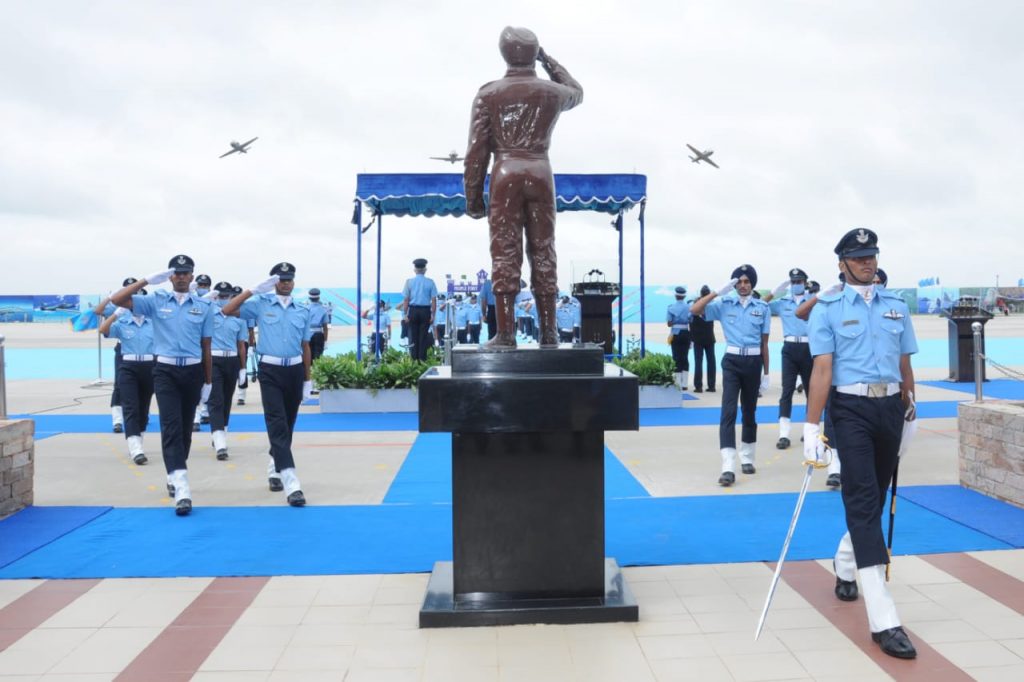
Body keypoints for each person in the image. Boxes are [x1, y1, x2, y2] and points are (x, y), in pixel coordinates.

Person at [805, 228, 918, 659]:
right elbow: (821, 370)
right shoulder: (828, 308)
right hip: (849, 410)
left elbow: (904, 359)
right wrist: (812, 428)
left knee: (877, 492)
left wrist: (910, 398)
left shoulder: (895, 305)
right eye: (859, 257)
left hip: (890, 408)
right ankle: (884, 620)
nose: (868, 263)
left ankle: (846, 560)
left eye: (872, 255)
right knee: (862, 497)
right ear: (842, 263)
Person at [464, 27, 583, 349]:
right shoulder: (552, 92)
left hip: (505, 173)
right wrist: (548, 60)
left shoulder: (489, 93)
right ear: (534, 53)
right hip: (541, 171)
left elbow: (477, 151)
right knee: (544, 249)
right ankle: (549, 332)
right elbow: (576, 90)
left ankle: (505, 334)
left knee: (505, 250)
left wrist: (474, 198)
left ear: (504, 53)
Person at [109, 255, 214, 516]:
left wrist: (208, 382)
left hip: (192, 371)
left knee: (186, 429)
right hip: (164, 370)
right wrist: (146, 280)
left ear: (192, 277)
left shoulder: (204, 307)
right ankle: (182, 487)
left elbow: (206, 346)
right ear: (169, 277)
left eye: (185, 273)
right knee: (170, 426)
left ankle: (175, 471)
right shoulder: (156, 302)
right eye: (176, 273)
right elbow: (117, 301)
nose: (180, 277)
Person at [222, 262, 312, 507]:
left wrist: (307, 378)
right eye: (281, 279)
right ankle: (292, 483)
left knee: (289, 423)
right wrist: (252, 290)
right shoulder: (261, 305)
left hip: (293, 370)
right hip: (270, 370)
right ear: (273, 282)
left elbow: (306, 346)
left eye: (289, 279)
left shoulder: (303, 310)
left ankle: (275, 467)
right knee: (276, 422)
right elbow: (228, 310)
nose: (285, 283)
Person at [690, 265, 770, 486]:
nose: (743, 286)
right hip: (732, 361)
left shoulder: (762, 308)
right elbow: (695, 310)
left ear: (753, 284)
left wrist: (766, 373)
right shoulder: (724, 305)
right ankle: (727, 466)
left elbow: (764, 343)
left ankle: (747, 457)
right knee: (728, 411)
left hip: (754, 362)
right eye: (739, 282)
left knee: (750, 411)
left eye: (747, 282)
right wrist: (717, 292)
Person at [99, 293, 154, 465]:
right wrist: (117, 313)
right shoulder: (123, 322)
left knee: (144, 408)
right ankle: (135, 447)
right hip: (128, 367)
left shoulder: (153, 322)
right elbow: (103, 330)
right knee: (130, 406)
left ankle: (138, 441)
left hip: (149, 366)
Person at [763, 268, 814, 450]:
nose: (796, 285)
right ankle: (784, 434)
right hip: (790, 348)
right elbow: (760, 305)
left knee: (811, 392)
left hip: (809, 348)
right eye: (793, 282)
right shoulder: (783, 302)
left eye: (799, 281)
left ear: (805, 283)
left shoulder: (812, 301)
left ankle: (809, 431)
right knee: (787, 391)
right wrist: (774, 292)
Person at [206, 281, 248, 461]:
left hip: (231, 360)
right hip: (213, 359)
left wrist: (243, 368)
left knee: (226, 399)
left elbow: (241, 345)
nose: (224, 300)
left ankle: (221, 431)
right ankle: (220, 441)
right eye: (221, 297)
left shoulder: (239, 318)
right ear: (215, 297)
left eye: (227, 297)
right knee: (216, 399)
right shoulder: (208, 314)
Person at [94, 279, 138, 433]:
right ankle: (117, 420)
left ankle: (136, 417)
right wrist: (110, 297)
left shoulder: (138, 302)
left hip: (141, 350)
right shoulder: (116, 305)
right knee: (119, 385)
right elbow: (98, 311)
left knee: (142, 386)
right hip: (122, 348)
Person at [402, 258, 437, 361]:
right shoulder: (430, 282)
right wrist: (433, 316)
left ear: (415, 269)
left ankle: (414, 361)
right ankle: (422, 361)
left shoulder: (409, 282)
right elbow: (434, 300)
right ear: (425, 269)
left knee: (413, 337)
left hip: (413, 311)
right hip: (425, 311)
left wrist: (405, 314)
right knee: (423, 337)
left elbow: (406, 300)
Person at [690, 285, 717, 393]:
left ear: (701, 294)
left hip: (698, 338)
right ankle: (712, 386)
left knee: (698, 362)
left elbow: (690, 319)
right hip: (709, 337)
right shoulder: (712, 305)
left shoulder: (695, 304)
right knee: (711, 362)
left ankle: (698, 386)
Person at [665, 286, 693, 391]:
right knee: (685, 357)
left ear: (676, 295)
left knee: (676, 357)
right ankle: (685, 384)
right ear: (684, 296)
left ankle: (677, 383)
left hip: (675, 333)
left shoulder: (671, 307)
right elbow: (691, 320)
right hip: (686, 333)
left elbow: (669, 323)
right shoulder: (689, 307)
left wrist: (676, 321)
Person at [233, 285, 256, 406]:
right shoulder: (228, 308)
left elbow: (251, 330)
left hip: (244, 343)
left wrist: (251, 346)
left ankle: (241, 395)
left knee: (243, 368)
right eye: (234, 295)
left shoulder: (247, 309)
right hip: (229, 343)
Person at [307, 288, 329, 361]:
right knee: (318, 358)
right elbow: (325, 327)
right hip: (318, 335)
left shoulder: (305, 309)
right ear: (319, 297)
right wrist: (325, 341)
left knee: (307, 356)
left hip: (307, 335)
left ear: (309, 298)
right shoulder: (323, 309)